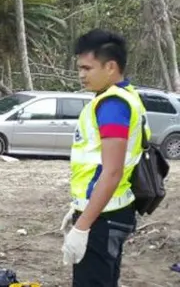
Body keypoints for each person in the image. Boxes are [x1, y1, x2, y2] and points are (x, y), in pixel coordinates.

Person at [60, 29, 145, 286]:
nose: (81, 75)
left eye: (87, 67)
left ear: (110, 66)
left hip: (103, 217)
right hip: (109, 210)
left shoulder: (112, 106)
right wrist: (78, 206)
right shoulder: (125, 96)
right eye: (79, 68)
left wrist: (83, 225)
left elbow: (112, 171)